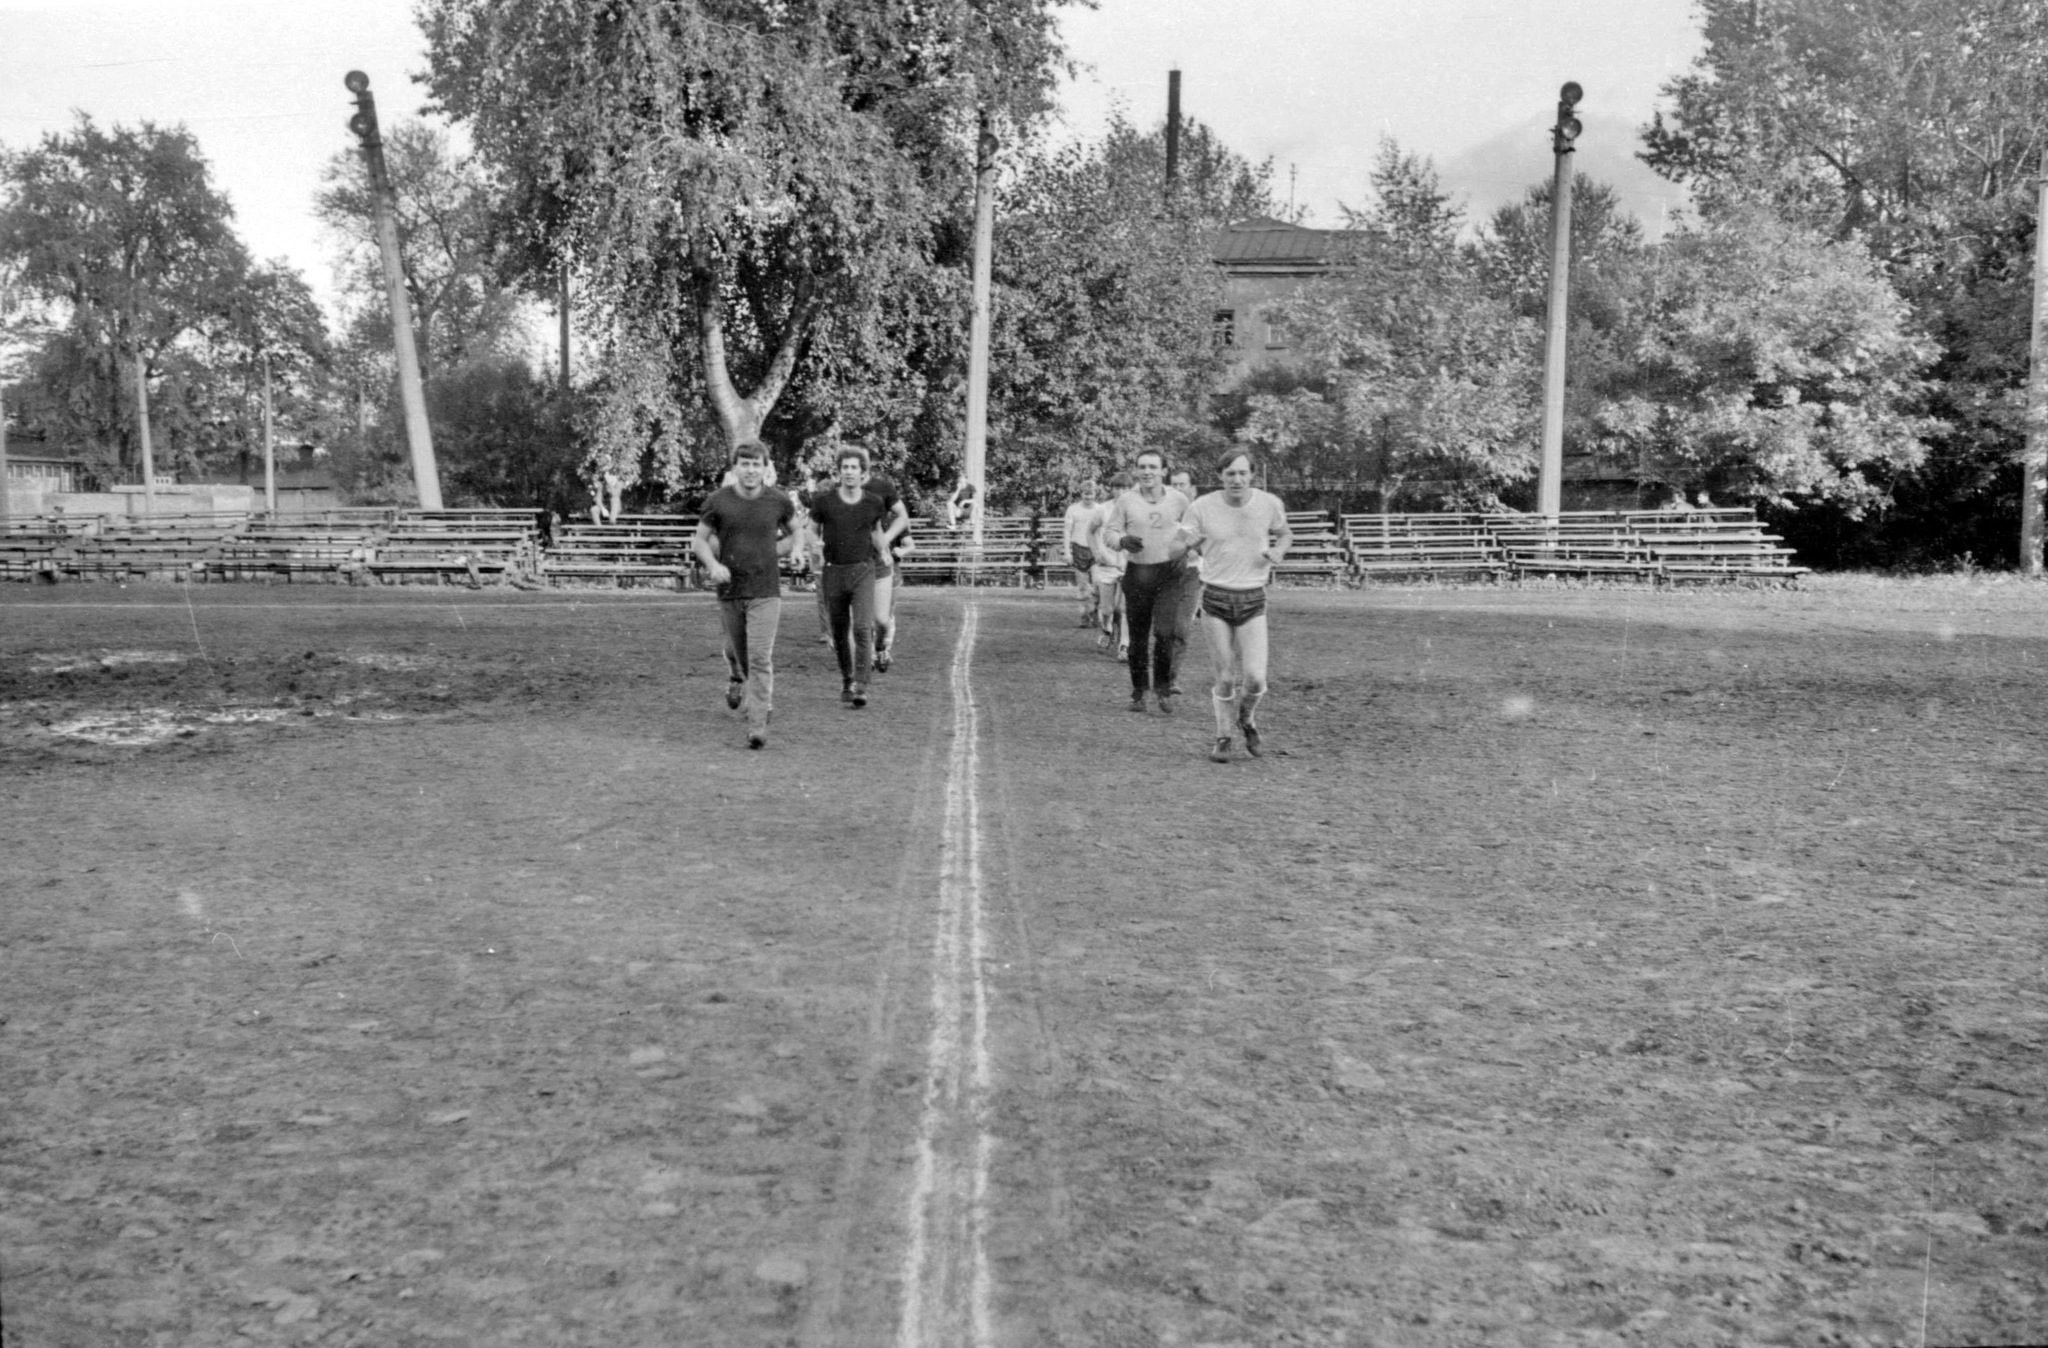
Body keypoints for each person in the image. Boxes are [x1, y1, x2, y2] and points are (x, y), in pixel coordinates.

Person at [1180, 450, 1291, 763]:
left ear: (1251, 475)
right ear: (1220, 476)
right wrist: (1182, 544)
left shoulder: (1269, 504)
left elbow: (1284, 534)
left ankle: (1247, 719)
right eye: (1230, 474)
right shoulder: (1201, 507)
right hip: (1215, 596)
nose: (1237, 479)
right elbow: (1180, 541)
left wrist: (1279, 550)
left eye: (1242, 473)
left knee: (1255, 679)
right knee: (1226, 677)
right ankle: (1223, 735)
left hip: (1253, 597)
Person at [691, 442, 797, 750]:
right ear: (735, 467)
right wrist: (713, 564)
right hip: (730, 591)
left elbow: (796, 532)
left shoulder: (778, 501)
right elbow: (699, 542)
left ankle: (757, 725)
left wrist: (790, 550)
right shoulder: (718, 501)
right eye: (745, 464)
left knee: (760, 656)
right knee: (742, 657)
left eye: (756, 464)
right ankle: (757, 697)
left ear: (765, 467)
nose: (751, 469)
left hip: (766, 591)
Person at [809, 445, 906, 707]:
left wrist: (884, 549)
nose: (849, 472)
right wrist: (814, 547)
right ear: (839, 472)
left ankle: (862, 686)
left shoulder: (873, 502)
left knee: (863, 628)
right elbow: (811, 530)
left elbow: (876, 533)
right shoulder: (824, 501)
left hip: (863, 570)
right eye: (845, 468)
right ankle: (847, 679)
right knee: (840, 632)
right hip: (833, 572)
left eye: (854, 468)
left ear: (862, 472)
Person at [1101, 449, 1193, 713]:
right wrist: (1121, 541)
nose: (1147, 472)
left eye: (1153, 467)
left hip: (1170, 574)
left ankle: (1163, 689)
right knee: (1138, 636)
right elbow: (1110, 531)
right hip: (1138, 573)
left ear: (1163, 471)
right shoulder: (1126, 501)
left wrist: (1184, 546)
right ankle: (1139, 691)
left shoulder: (1178, 499)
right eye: (1142, 467)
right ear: (1136, 470)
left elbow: (1192, 528)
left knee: (1165, 632)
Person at [1166, 467, 1205, 694]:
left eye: (1183, 484)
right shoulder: (1163, 512)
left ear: (1193, 489)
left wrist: (1197, 551)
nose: (1178, 489)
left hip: (1191, 575)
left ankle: (1170, 679)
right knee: (1163, 629)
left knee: (1181, 629)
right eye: (1174, 484)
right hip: (1164, 575)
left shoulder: (1203, 513)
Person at [1088, 472, 1131, 657]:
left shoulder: (1136, 508)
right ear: (1111, 489)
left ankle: (1124, 645)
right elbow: (1090, 532)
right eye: (1117, 488)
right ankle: (1107, 630)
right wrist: (1097, 553)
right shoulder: (1103, 510)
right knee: (1107, 610)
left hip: (1129, 565)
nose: (1121, 492)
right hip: (1107, 564)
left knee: (1124, 608)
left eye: (1125, 488)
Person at [1062, 478, 1104, 628]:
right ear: (1081, 494)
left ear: (1095, 494)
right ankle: (1083, 615)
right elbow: (1067, 531)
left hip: (1095, 550)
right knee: (1082, 586)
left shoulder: (1100, 509)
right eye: (1085, 494)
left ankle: (1094, 611)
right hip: (1079, 548)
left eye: (1091, 494)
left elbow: (1103, 531)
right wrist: (1067, 552)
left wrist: (1104, 551)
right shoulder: (1073, 509)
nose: (1088, 497)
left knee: (1098, 583)